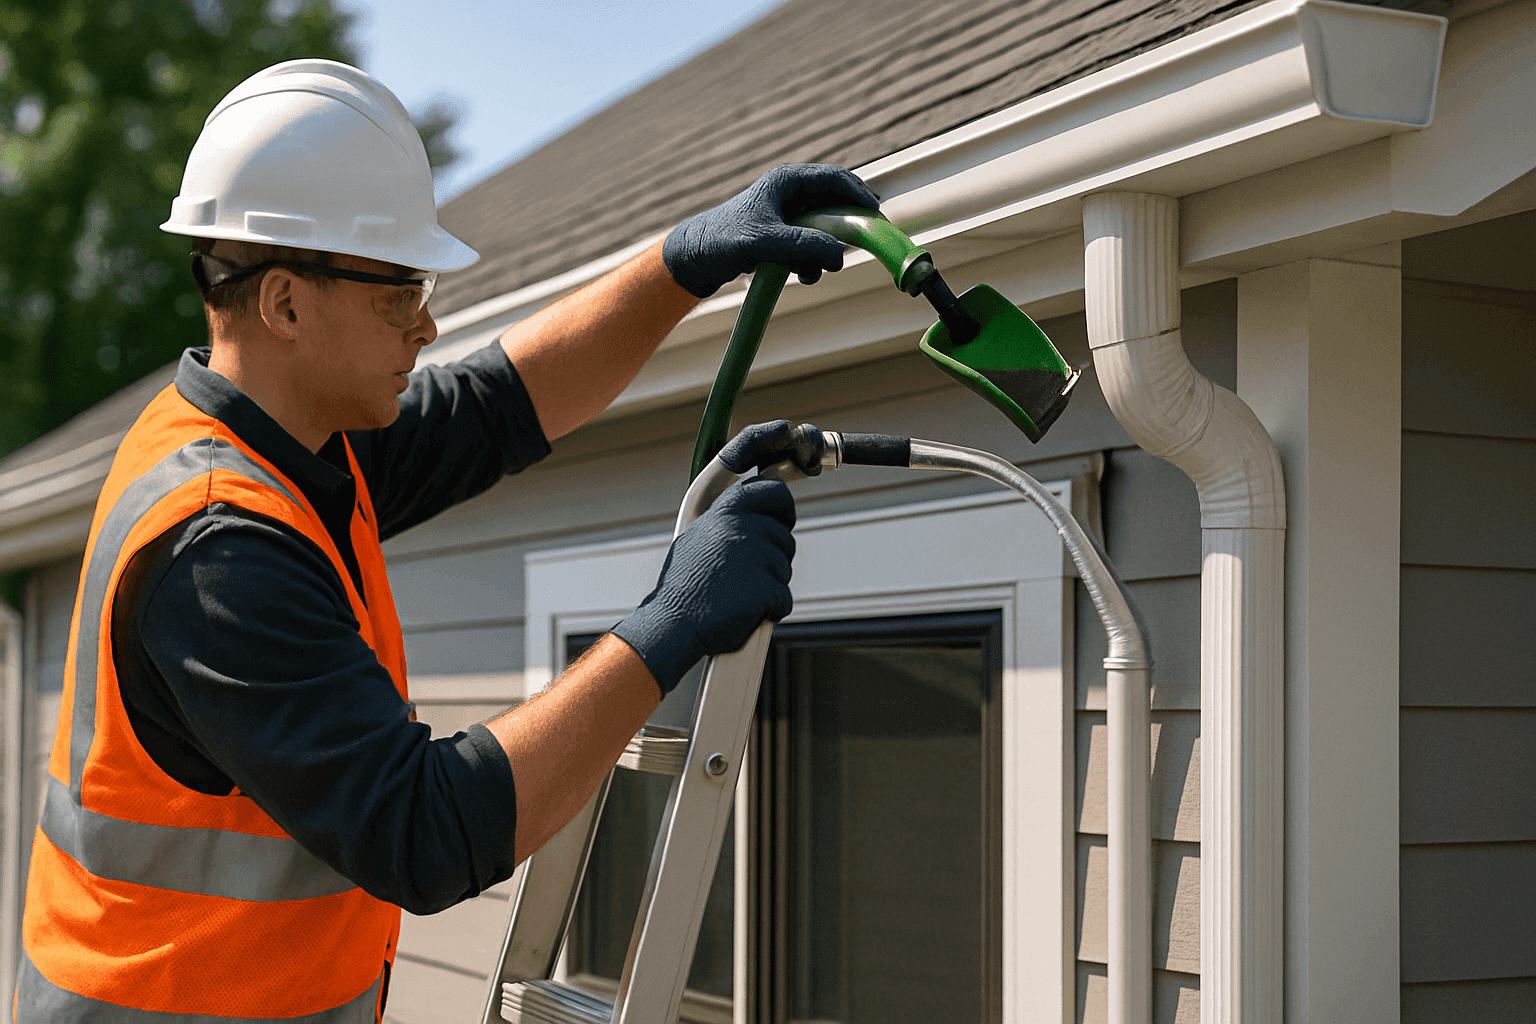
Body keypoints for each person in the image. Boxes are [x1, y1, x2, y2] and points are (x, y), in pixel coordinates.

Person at [15, 60, 878, 1022]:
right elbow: (422, 832)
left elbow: (497, 405)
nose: (426, 325)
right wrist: (672, 623)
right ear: (286, 304)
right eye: (397, 293)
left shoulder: (292, 442)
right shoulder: (218, 551)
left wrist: (685, 261)